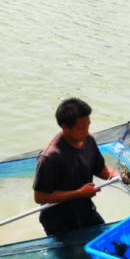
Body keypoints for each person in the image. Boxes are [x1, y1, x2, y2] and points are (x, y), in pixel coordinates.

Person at [32, 98, 118, 236]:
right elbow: (40, 196)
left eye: (88, 126)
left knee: (108, 241)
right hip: (59, 221)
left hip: (86, 210)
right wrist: (79, 193)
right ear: (65, 127)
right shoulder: (50, 156)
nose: (86, 131)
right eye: (81, 128)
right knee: (73, 257)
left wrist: (118, 176)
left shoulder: (88, 140)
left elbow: (100, 169)